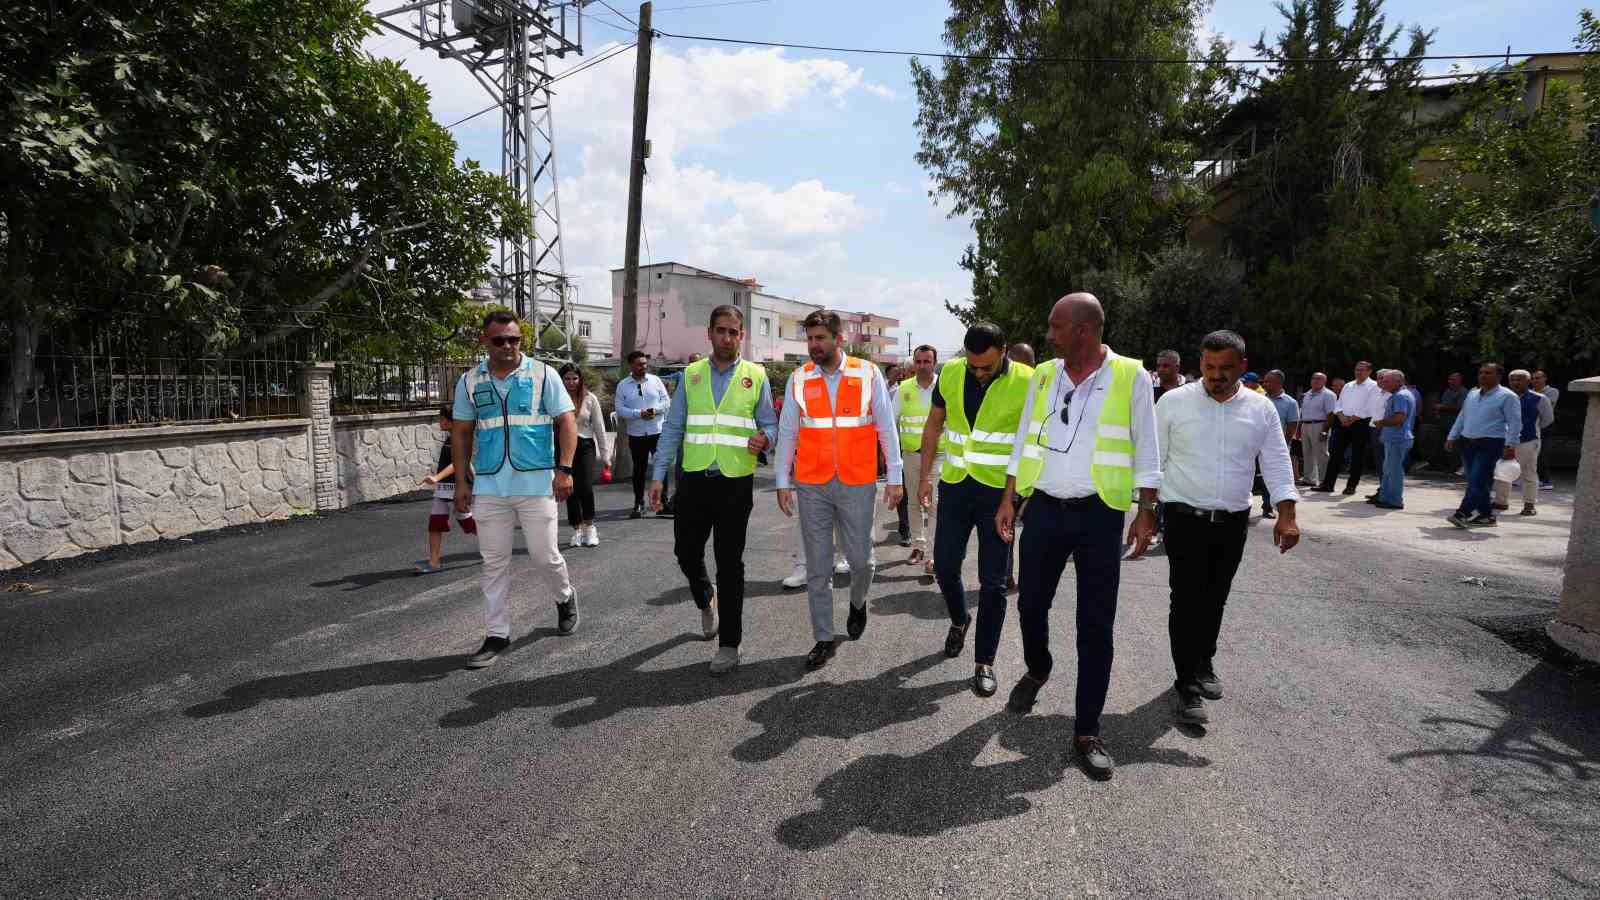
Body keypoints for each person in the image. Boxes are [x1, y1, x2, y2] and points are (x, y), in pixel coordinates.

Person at [996, 292, 1160, 782]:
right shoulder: (1045, 374)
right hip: (1044, 508)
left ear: (1083, 330)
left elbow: (1147, 446)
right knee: (1029, 606)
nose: (1049, 334)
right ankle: (1038, 667)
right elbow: (1026, 435)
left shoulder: (1131, 375)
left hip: (1100, 513)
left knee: (1095, 625)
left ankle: (1087, 730)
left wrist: (1146, 509)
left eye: (1056, 326)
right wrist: (1010, 496)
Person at [1156, 330, 1299, 726]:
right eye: (1208, 366)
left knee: (1215, 596)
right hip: (1184, 517)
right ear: (1199, 363)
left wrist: (1287, 515)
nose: (1216, 375)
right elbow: (1154, 460)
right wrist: (1147, 510)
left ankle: (1204, 661)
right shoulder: (1173, 403)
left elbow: (1275, 460)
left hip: (1232, 521)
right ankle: (1185, 684)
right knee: (1185, 599)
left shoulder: (1261, 409)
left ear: (1243, 367)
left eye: (1225, 368)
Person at [649, 305, 778, 674]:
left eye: (733, 332)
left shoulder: (756, 376)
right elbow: (673, 428)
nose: (726, 338)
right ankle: (706, 598)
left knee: (730, 563)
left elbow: (769, 423)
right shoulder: (691, 375)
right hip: (693, 479)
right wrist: (659, 476)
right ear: (709, 334)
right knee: (685, 552)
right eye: (720, 330)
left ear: (742, 336)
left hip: (736, 482)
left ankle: (730, 644)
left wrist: (763, 438)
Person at [774, 310, 903, 670]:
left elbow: (886, 428)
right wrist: (783, 480)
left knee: (861, 561)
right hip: (812, 483)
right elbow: (788, 432)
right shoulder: (799, 378)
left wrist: (895, 476)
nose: (814, 346)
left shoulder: (867, 373)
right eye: (810, 339)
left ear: (838, 339)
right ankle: (824, 637)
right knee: (818, 567)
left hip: (857, 481)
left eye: (820, 338)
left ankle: (858, 603)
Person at [450, 310, 580, 669]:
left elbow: (566, 421)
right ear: (485, 342)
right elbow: (460, 432)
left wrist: (565, 469)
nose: (507, 346)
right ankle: (497, 633)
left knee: (544, 556)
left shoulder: (543, 374)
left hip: (536, 482)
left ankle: (564, 596)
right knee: (493, 563)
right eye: (499, 340)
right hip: (491, 485)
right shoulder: (470, 381)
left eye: (514, 339)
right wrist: (461, 481)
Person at [916, 322, 1033, 697]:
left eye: (987, 366)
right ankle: (959, 618)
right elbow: (934, 424)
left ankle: (985, 662)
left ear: (1004, 353)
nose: (979, 372)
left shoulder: (1029, 382)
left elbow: (1028, 444)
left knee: (994, 582)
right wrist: (925, 477)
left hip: (999, 495)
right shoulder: (951, 371)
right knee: (945, 565)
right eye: (973, 366)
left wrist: (1013, 499)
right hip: (956, 486)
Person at [1445, 363, 1521, 529]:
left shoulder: (1507, 396)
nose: (1483, 376)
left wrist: (1511, 445)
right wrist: (1452, 436)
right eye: (1481, 373)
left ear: (1498, 376)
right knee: (1478, 481)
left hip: (1490, 443)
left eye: (1488, 373)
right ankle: (1487, 515)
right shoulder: (1472, 394)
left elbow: (1515, 423)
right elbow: (1462, 416)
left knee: (1476, 480)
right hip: (1467, 442)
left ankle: (1463, 513)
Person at [416, 403, 478, 574]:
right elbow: (468, 464)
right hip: (444, 488)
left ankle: (496, 545)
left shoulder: (459, 438)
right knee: (435, 523)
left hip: (457, 487)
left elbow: (456, 464)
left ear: (450, 421)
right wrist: (477, 479)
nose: (439, 421)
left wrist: (436, 477)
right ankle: (434, 561)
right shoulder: (451, 437)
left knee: (468, 523)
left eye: (442, 418)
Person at [894, 345, 939, 571]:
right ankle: (918, 545)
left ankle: (933, 554)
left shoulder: (944, 386)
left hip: (939, 457)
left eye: (926, 361)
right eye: (918, 361)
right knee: (913, 502)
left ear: (934, 362)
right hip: (911, 456)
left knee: (935, 506)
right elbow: (892, 421)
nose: (922, 366)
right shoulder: (903, 389)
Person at [616, 350, 672, 518]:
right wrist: (638, 413)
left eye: (645, 364)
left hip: (657, 431)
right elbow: (620, 409)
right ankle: (638, 503)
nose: (643, 367)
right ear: (631, 365)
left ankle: (663, 502)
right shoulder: (623, 385)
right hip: (637, 434)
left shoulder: (655, 381)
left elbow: (667, 401)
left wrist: (656, 410)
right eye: (640, 364)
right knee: (639, 470)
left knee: (662, 467)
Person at [1315, 361, 1383, 496]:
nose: (1358, 372)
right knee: (1335, 454)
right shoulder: (1348, 385)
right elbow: (1339, 403)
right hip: (1342, 422)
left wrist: (1353, 418)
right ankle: (1328, 484)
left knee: (1357, 455)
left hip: (1361, 423)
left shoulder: (1374, 386)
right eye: (1357, 369)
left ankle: (1351, 485)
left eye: (1362, 370)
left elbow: (1370, 407)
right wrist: (1341, 416)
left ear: (1369, 371)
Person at [560, 363, 609, 548]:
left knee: (585, 487)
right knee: (569, 489)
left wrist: (605, 455)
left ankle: (590, 527)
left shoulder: (590, 398)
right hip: (563, 447)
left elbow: (599, 427)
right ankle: (577, 529)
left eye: (574, 378)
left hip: (585, 445)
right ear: (561, 380)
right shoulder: (554, 398)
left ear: (580, 379)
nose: (571, 382)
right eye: (567, 378)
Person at [1495, 369, 1554, 517]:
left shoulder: (1540, 398)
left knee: (1529, 473)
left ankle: (1529, 505)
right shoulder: (1503, 397)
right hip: (1504, 441)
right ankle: (1501, 502)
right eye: (1512, 379)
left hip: (1528, 441)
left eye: (1519, 379)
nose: (1515, 382)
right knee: (1502, 471)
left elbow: (1547, 420)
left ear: (1528, 382)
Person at [1371, 369, 1415, 510]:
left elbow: (1399, 418)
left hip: (1397, 438)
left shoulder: (1400, 396)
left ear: (1398, 381)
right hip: (1395, 437)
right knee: (1389, 469)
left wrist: (1381, 423)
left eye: (1386, 381)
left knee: (1394, 471)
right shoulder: (1401, 394)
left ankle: (1394, 501)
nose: (1383, 383)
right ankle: (1386, 498)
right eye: (1382, 380)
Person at [1260, 370, 1299, 517]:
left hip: (1275, 447)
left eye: (1268, 381)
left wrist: (1284, 445)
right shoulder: (1260, 400)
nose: (1264, 384)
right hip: (1256, 444)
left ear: (1278, 383)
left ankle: (1268, 507)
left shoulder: (1290, 402)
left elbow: (1292, 425)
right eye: (1264, 381)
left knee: (1270, 476)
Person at [1298, 372, 1335, 486]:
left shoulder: (1328, 394)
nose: (1315, 380)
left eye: (1319, 379)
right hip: (1305, 424)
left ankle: (1324, 480)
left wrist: (1325, 430)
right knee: (1307, 453)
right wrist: (1299, 429)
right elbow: (1302, 412)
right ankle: (1309, 479)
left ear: (1324, 381)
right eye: (1313, 378)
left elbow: (1331, 414)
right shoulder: (1307, 394)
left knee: (1321, 453)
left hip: (1320, 425)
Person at [1435, 372, 1468, 475]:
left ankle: (1456, 467)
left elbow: (1461, 408)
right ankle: (1447, 466)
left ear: (1459, 381)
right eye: (1449, 379)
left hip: (1455, 424)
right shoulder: (1447, 391)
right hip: (1444, 423)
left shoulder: (1463, 392)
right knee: (1444, 444)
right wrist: (1438, 411)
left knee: (1455, 446)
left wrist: (1442, 407)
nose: (1450, 382)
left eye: (1453, 379)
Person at [1531, 370, 1558, 490]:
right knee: (1529, 454)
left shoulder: (1552, 391)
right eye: (1533, 378)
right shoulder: (1529, 392)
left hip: (1546, 426)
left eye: (1538, 378)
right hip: (1531, 425)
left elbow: (1545, 404)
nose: (1535, 381)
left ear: (1544, 378)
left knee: (1543, 455)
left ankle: (1546, 481)